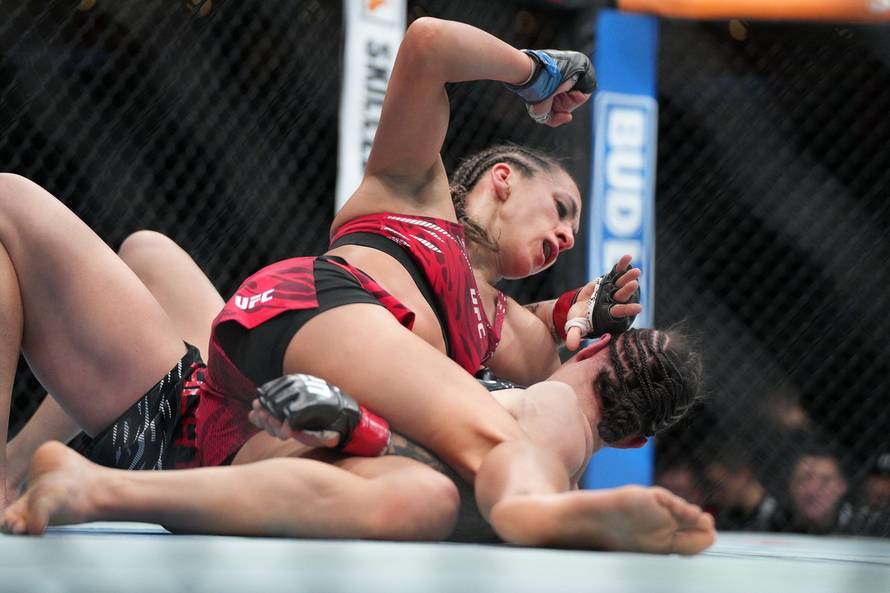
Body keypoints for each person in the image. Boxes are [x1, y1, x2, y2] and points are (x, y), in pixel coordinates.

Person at [1, 17, 713, 551]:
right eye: (560, 209)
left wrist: (580, 316)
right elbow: (429, 43)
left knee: (149, 250)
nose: (564, 237)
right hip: (315, 314)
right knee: (13, 198)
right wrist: (535, 72)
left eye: (571, 235)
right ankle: (532, 510)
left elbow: (566, 398)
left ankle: (24, 468)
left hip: (217, 410)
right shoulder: (413, 195)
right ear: (503, 177)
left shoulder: (508, 329)